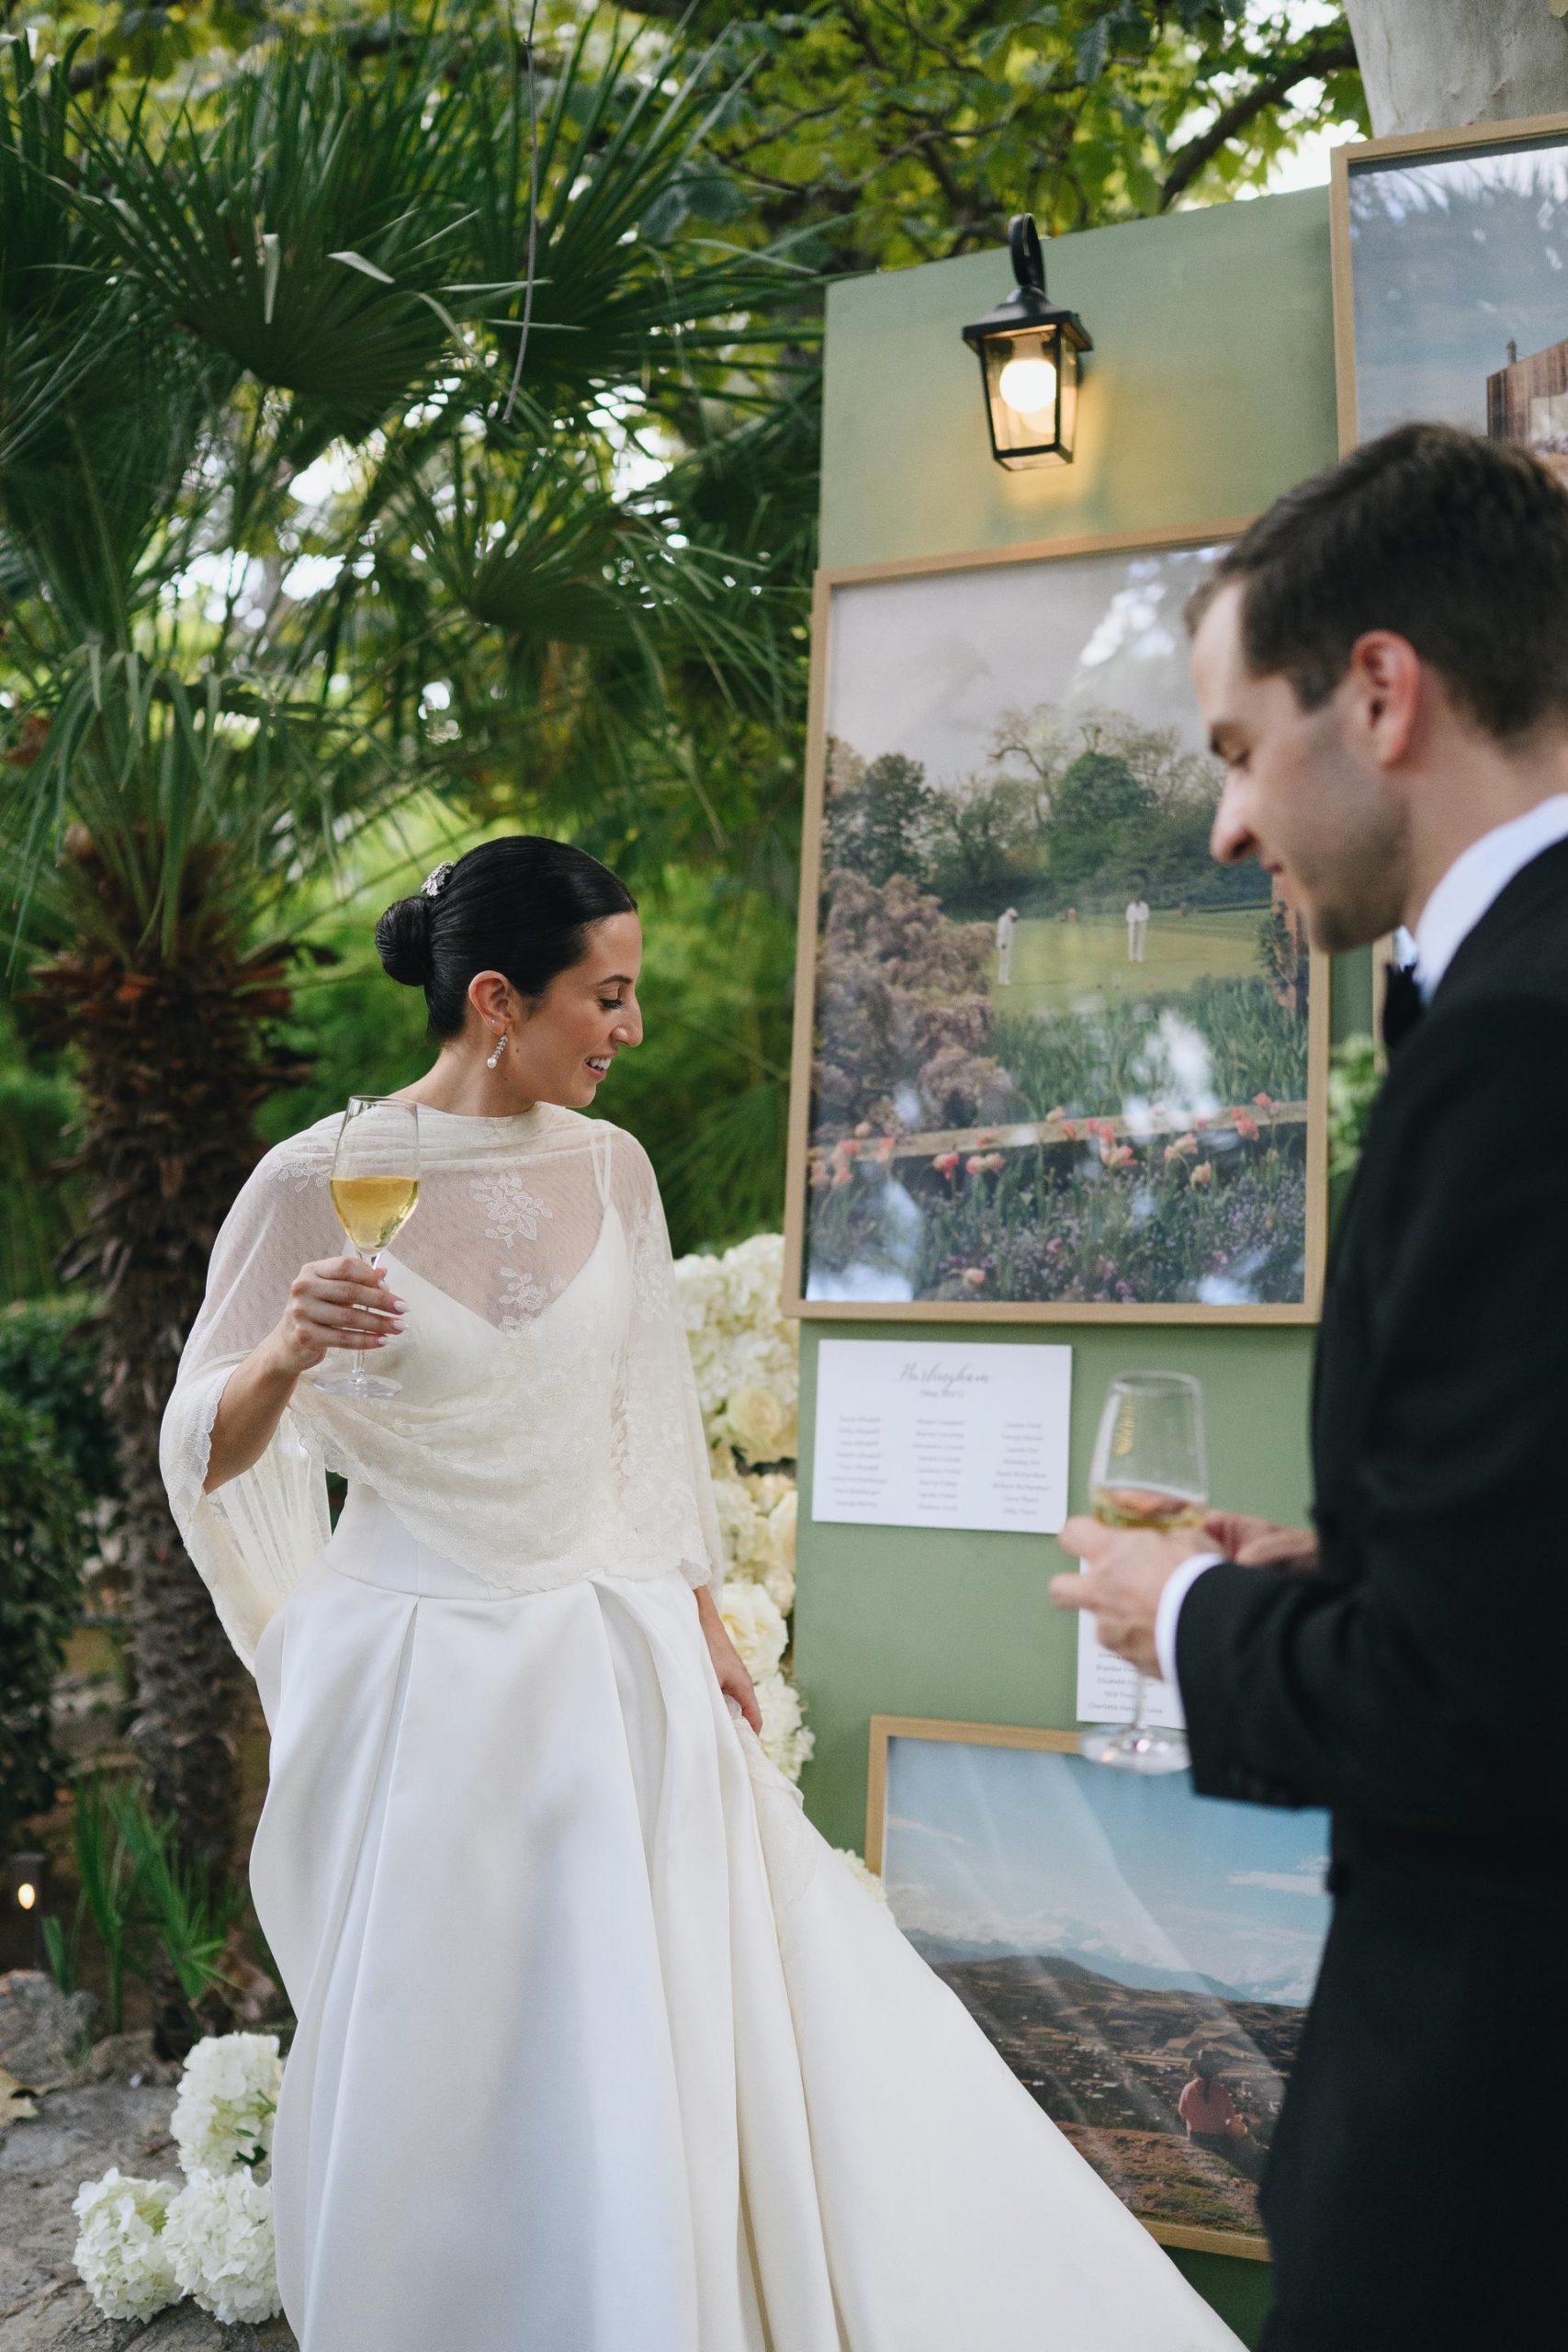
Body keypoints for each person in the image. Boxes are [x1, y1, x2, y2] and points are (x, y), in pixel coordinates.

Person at [161, 836, 1238, 2352]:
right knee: (451, 2079)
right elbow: (198, 1449)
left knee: (647, 2050)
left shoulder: (615, 1169)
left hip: (614, 1678)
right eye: (607, 995)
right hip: (420, 1696)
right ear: (492, 1000)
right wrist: (284, 1353)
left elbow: (642, 1422)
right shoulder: (319, 1180)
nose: (631, 1027)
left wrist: (701, 1616)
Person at [1051, 424, 1568, 2350]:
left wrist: (1177, 1611)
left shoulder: (1516, 1048)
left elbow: (1469, 1706)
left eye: (1230, 748)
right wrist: (1352, 1564)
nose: (1223, 827)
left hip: (1494, 2129)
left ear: (1378, 690)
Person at [1176, 2052, 1264, 2186]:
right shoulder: (1221, 2092)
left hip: (1195, 2138)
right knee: (1247, 2144)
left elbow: (1182, 2112)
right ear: (1214, 2072)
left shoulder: (1187, 2089)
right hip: (1219, 2140)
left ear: (1196, 2070)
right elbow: (1230, 2117)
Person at [996, 903, 1019, 985]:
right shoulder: (1003, 921)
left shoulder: (1010, 922)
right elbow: (1001, 933)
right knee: (1004, 961)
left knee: (1005, 961)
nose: (1014, 919)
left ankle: (1003, 979)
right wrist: (1003, 945)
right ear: (1010, 915)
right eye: (1013, 917)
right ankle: (1003, 979)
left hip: (1007, 944)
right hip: (1003, 944)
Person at [1124, 894, 1150, 961]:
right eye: (1135, 902)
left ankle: (1140, 957)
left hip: (1141, 924)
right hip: (1132, 924)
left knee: (1141, 940)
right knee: (1132, 941)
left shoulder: (1144, 906)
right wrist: (1133, 920)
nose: (1137, 903)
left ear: (1140, 901)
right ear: (1134, 901)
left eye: (1138, 902)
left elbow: (1147, 916)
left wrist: (1140, 920)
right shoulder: (1130, 906)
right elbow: (1128, 917)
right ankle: (1132, 957)